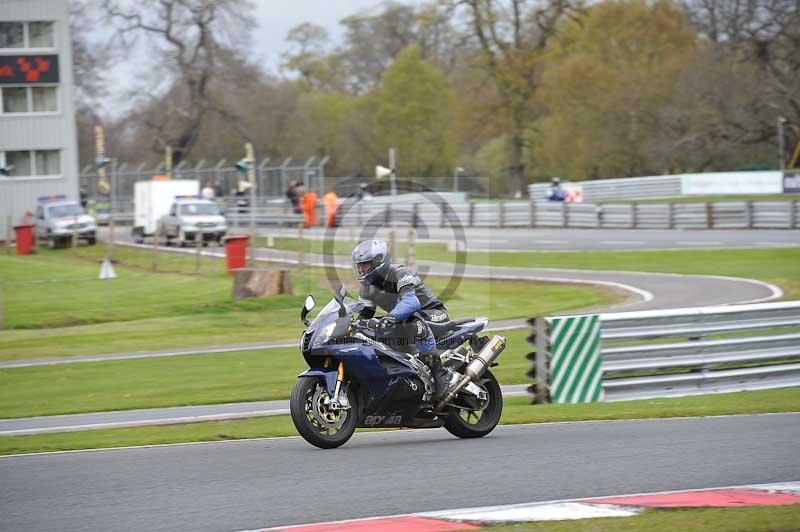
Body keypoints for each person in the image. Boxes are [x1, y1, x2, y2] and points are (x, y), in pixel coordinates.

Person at [352, 239, 450, 399]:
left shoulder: (400, 273)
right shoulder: (366, 290)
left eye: (365, 265)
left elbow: (411, 302)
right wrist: (350, 325)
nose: (361, 270)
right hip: (404, 319)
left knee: (412, 321)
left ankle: (440, 374)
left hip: (434, 314)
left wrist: (388, 318)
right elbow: (365, 314)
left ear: (378, 262)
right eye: (359, 265)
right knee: (373, 332)